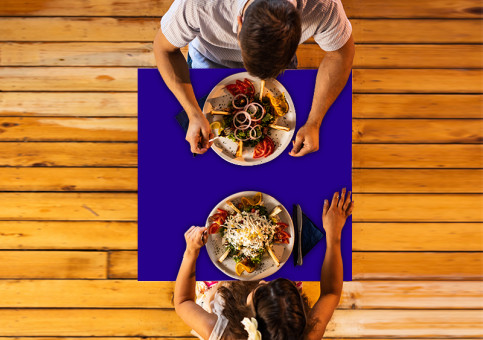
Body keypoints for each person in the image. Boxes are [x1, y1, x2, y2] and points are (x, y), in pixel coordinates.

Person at [154, 0, 355, 156]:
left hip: (281, 70)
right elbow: (163, 49)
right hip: (209, 59)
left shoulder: (323, 6)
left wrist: (314, 122)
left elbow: (341, 54)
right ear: (239, 24)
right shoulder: (197, 5)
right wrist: (192, 113)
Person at [174, 188, 353, 339]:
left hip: (222, 291)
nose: (263, 281)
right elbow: (331, 293)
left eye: (261, 289)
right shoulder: (306, 334)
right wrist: (334, 235)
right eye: (272, 284)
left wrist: (190, 252)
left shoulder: (224, 334)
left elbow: (182, 302)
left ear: (249, 319)